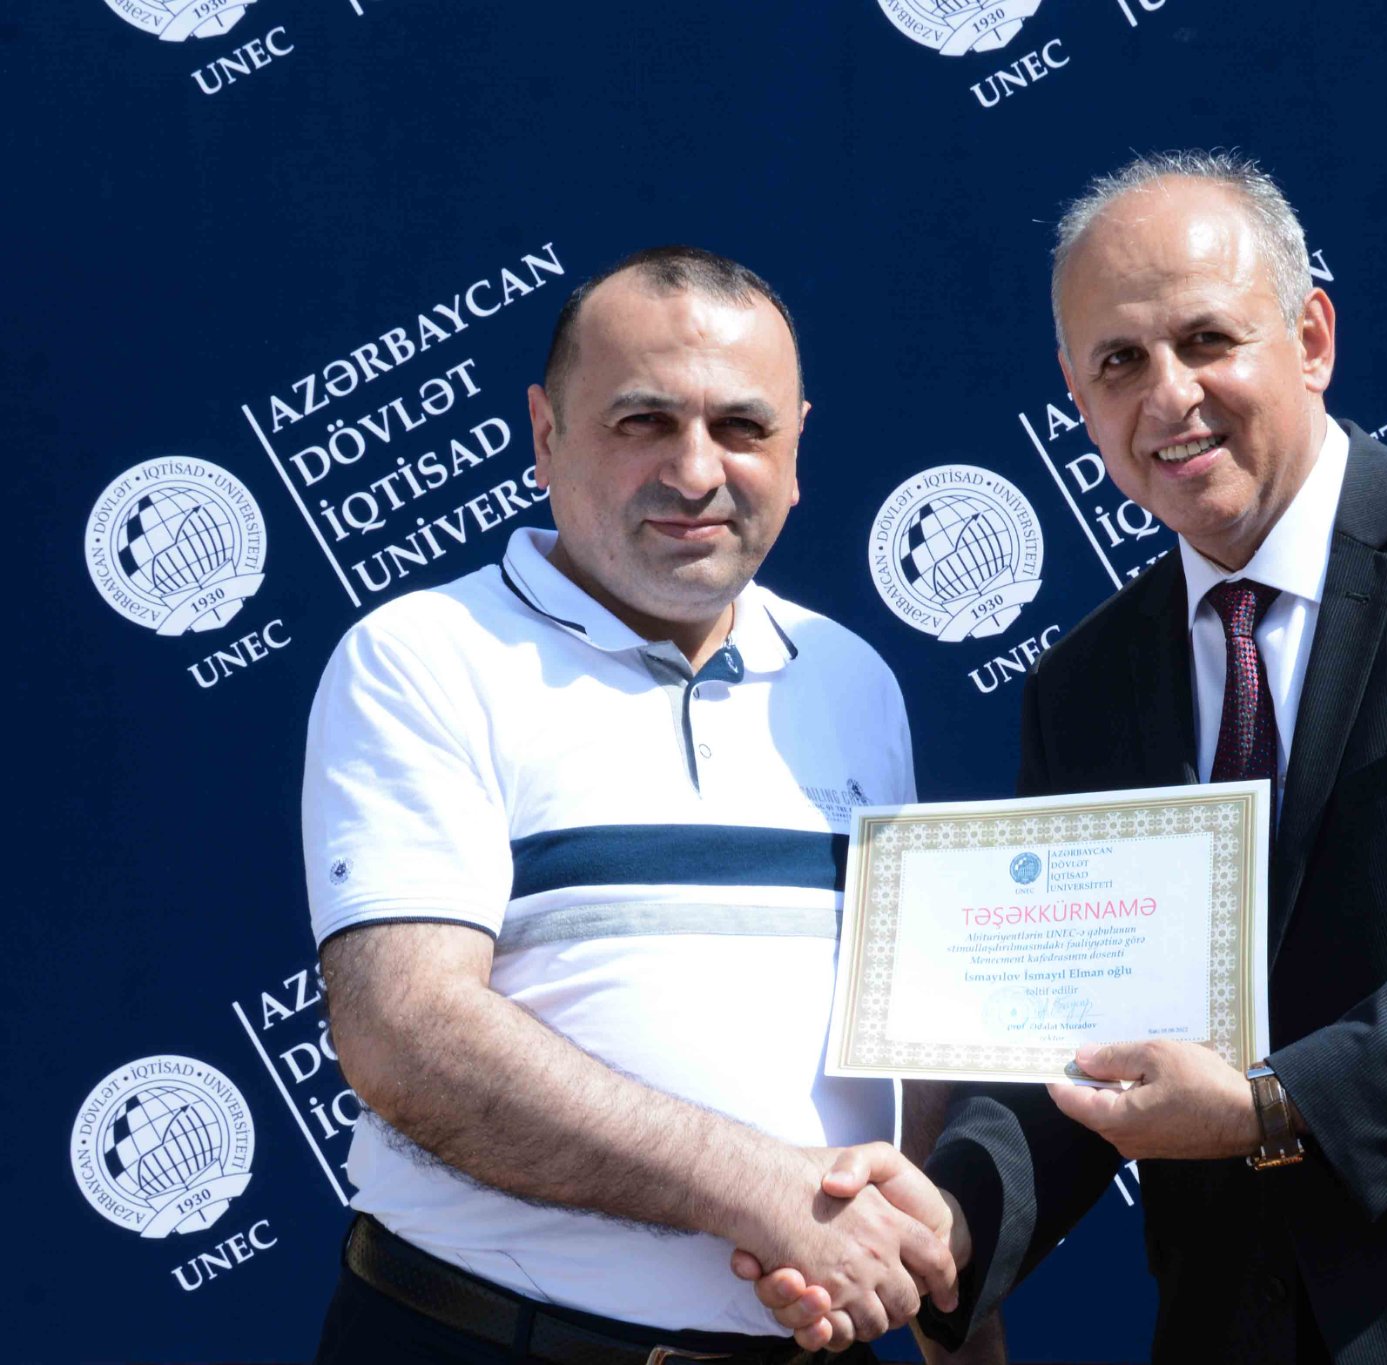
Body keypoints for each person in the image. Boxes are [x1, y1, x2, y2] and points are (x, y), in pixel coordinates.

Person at [742, 153, 1387, 1363]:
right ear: (1076, 401)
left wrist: (1271, 1108)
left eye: (1206, 340)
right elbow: (1063, 1043)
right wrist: (946, 1226)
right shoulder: (1080, 691)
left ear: (1309, 338)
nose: (1167, 396)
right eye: (1117, 363)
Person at [302, 245, 966, 1365]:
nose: (695, 472)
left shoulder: (856, 682)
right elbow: (406, 1034)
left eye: (742, 427)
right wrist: (761, 1190)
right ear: (545, 434)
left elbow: (917, 1052)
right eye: (643, 421)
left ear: (796, 450)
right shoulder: (422, 656)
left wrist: (949, 1316)